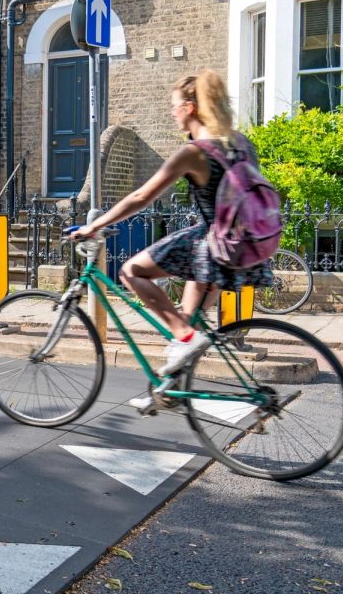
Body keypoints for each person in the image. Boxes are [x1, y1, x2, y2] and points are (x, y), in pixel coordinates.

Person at [68, 69, 274, 376]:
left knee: (131, 271)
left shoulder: (195, 152)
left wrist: (94, 226)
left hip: (211, 246)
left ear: (189, 108)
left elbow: (141, 196)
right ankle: (167, 392)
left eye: (174, 105)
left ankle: (183, 345)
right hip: (243, 244)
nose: (172, 111)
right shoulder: (240, 143)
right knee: (185, 333)